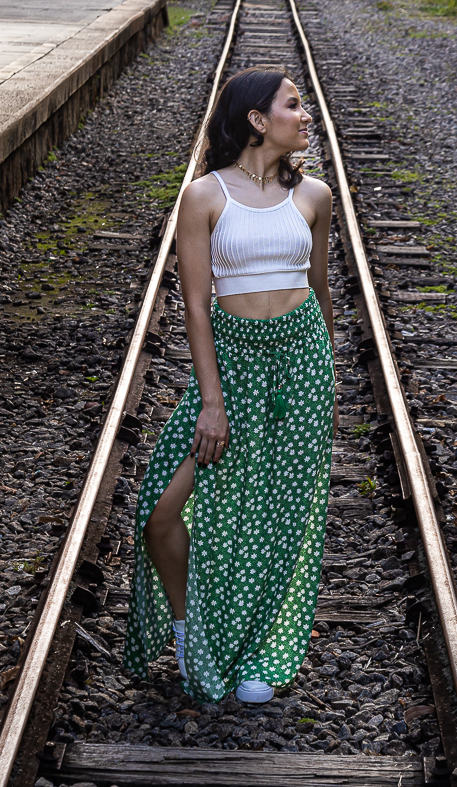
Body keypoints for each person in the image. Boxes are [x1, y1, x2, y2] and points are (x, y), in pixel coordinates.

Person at [122, 65, 338, 704]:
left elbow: (322, 297)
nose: (305, 117)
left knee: (278, 516)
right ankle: (193, 633)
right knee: (160, 513)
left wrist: (325, 389)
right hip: (234, 366)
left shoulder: (315, 198)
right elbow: (194, 307)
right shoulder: (205, 196)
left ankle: (260, 656)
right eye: (293, 106)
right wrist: (210, 402)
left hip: (300, 367)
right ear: (255, 119)